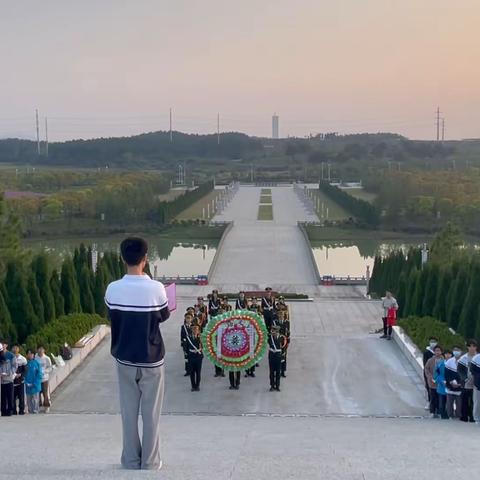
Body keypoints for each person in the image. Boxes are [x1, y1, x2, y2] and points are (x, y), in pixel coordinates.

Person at [105, 237, 170, 471]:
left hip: (124, 358)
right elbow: (163, 315)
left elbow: (111, 315)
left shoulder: (113, 288)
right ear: (145, 259)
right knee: (151, 414)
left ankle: (131, 460)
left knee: (128, 413)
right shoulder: (156, 288)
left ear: (123, 259)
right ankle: (151, 462)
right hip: (152, 359)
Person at [458, 339, 477, 423]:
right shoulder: (463, 358)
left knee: (474, 401)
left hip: (476, 383)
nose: (472, 348)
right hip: (466, 383)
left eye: (474, 346)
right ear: (467, 347)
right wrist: (464, 378)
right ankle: (464, 416)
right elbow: (460, 370)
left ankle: (473, 417)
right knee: (465, 400)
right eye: (470, 346)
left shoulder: (478, 357)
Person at [424, 345, 444, 418]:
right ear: (434, 352)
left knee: (440, 398)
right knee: (433, 397)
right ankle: (432, 412)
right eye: (436, 351)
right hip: (432, 382)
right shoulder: (430, 360)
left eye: (439, 350)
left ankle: (439, 412)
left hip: (441, 383)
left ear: (441, 352)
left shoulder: (444, 360)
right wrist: (429, 377)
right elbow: (426, 369)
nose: (437, 352)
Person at [445, 346, 463, 419]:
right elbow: (446, 374)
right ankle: (450, 415)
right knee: (449, 402)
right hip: (450, 385)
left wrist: (460, 383)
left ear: (461, 351)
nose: (456, 351)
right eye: (455, 350)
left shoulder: (463, 361)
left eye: (458, 350)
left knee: (459, 403)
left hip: (460, 386)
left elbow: (465, 374)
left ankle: (458, 415)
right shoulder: (449, 361)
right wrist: (451, 382)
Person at [0, 340, 17, 416]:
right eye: (1, 344)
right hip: (2, 379)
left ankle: (10, 410)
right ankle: (3, 411)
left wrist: (10, 373)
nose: (2, 346)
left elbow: (15, 366)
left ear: (6, 345)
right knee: (3, 396)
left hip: (9, 378)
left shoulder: (11, 355)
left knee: (10, 395)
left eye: (3, 344)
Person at [268, 325, 285, 392]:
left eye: (275, 331)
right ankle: (272, 385)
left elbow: (283, 348)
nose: (273, 332)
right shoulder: (270, 338)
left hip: (278, 356)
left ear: (277, 331)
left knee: (278, 372)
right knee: (271, 372)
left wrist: (283, 357)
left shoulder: (281, 338)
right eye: (273, 331)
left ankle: (277, 386)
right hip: (272, 356)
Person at [25, 349, 43, 414]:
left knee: (35, 399)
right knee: (28, 400)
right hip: (27, 385)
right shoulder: (25, 364)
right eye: (28, 354)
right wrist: (26, 382)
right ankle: (30, 411)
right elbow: (24, 374)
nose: (30, 355)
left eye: (31, 354)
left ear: (34, 355)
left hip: (35, 385)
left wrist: (34, 383)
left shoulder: (37, 363)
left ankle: (35, 411)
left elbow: (40, 374)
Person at [422, 337, 438, 409]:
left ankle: (436, 404)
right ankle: (429, 402)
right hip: (428, 373)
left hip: (438, 374)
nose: (433, 343)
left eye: (434, 341)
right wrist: (429, 375)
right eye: (431, 341)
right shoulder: (426, 353)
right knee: (429, 388)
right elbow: (425, 365)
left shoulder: (439, 353)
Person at [35, 346, 53, 411]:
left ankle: (46, 406)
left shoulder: (47, 358)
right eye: (39, 349)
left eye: (41, 349)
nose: (40, 350)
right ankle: (39, 406)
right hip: (37, 379)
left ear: (44, 350)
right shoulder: (35, 358)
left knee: (45, 393)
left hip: (44, 378)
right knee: (38, 393)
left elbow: (50, 367)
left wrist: (44, 371)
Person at [186, 325, 203, 392]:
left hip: (198, 357)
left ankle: (197, 386)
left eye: (196, 330)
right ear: (192, 330)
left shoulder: (201, 338)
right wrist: (186, 357)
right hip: (191, 357)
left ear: (198, 331)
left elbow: (203, 347)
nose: (195, 331)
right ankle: (193, 386)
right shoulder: (188, 338)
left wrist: (200, 340)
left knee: (198, 373)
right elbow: (186, 347)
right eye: (194, 329)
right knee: (192, 373)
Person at [12, 345, 27, 415]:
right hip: (12, 381)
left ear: (18, 349)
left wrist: (20, 374)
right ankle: (14, 411)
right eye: (14, 348)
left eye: (16, 348)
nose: (15, 349)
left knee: (21, 397)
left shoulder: (23, 359)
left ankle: (21, 410)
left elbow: (25, 370)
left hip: (20, 381)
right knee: (13, 397)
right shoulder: (11, 358)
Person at [434, 350, 449, 419]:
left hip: (450, 385)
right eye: (446, 354)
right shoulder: (440, 364)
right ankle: (442, 414)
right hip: (441, 385)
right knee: (442, 401)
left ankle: (449, 414)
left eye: (449, 354)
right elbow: (436, 375)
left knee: (449, 402)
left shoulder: (454, 363)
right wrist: (441, 381)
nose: (447, 355)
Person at [278, 310, 290, 378]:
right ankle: (279, 370)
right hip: (278, 341)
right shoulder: (276, 322)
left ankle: (283, 371)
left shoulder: (287, 322)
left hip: (284, 341)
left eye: (282, 316)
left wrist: (288, 341)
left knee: (284, 356)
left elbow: (288, 332)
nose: (281, 317)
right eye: (279, 316)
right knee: (279, 356)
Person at [470, 351, 480, 424]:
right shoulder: (476, 358)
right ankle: (476, 418)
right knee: (477, 402)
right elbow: (472, 371)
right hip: (478, 384)